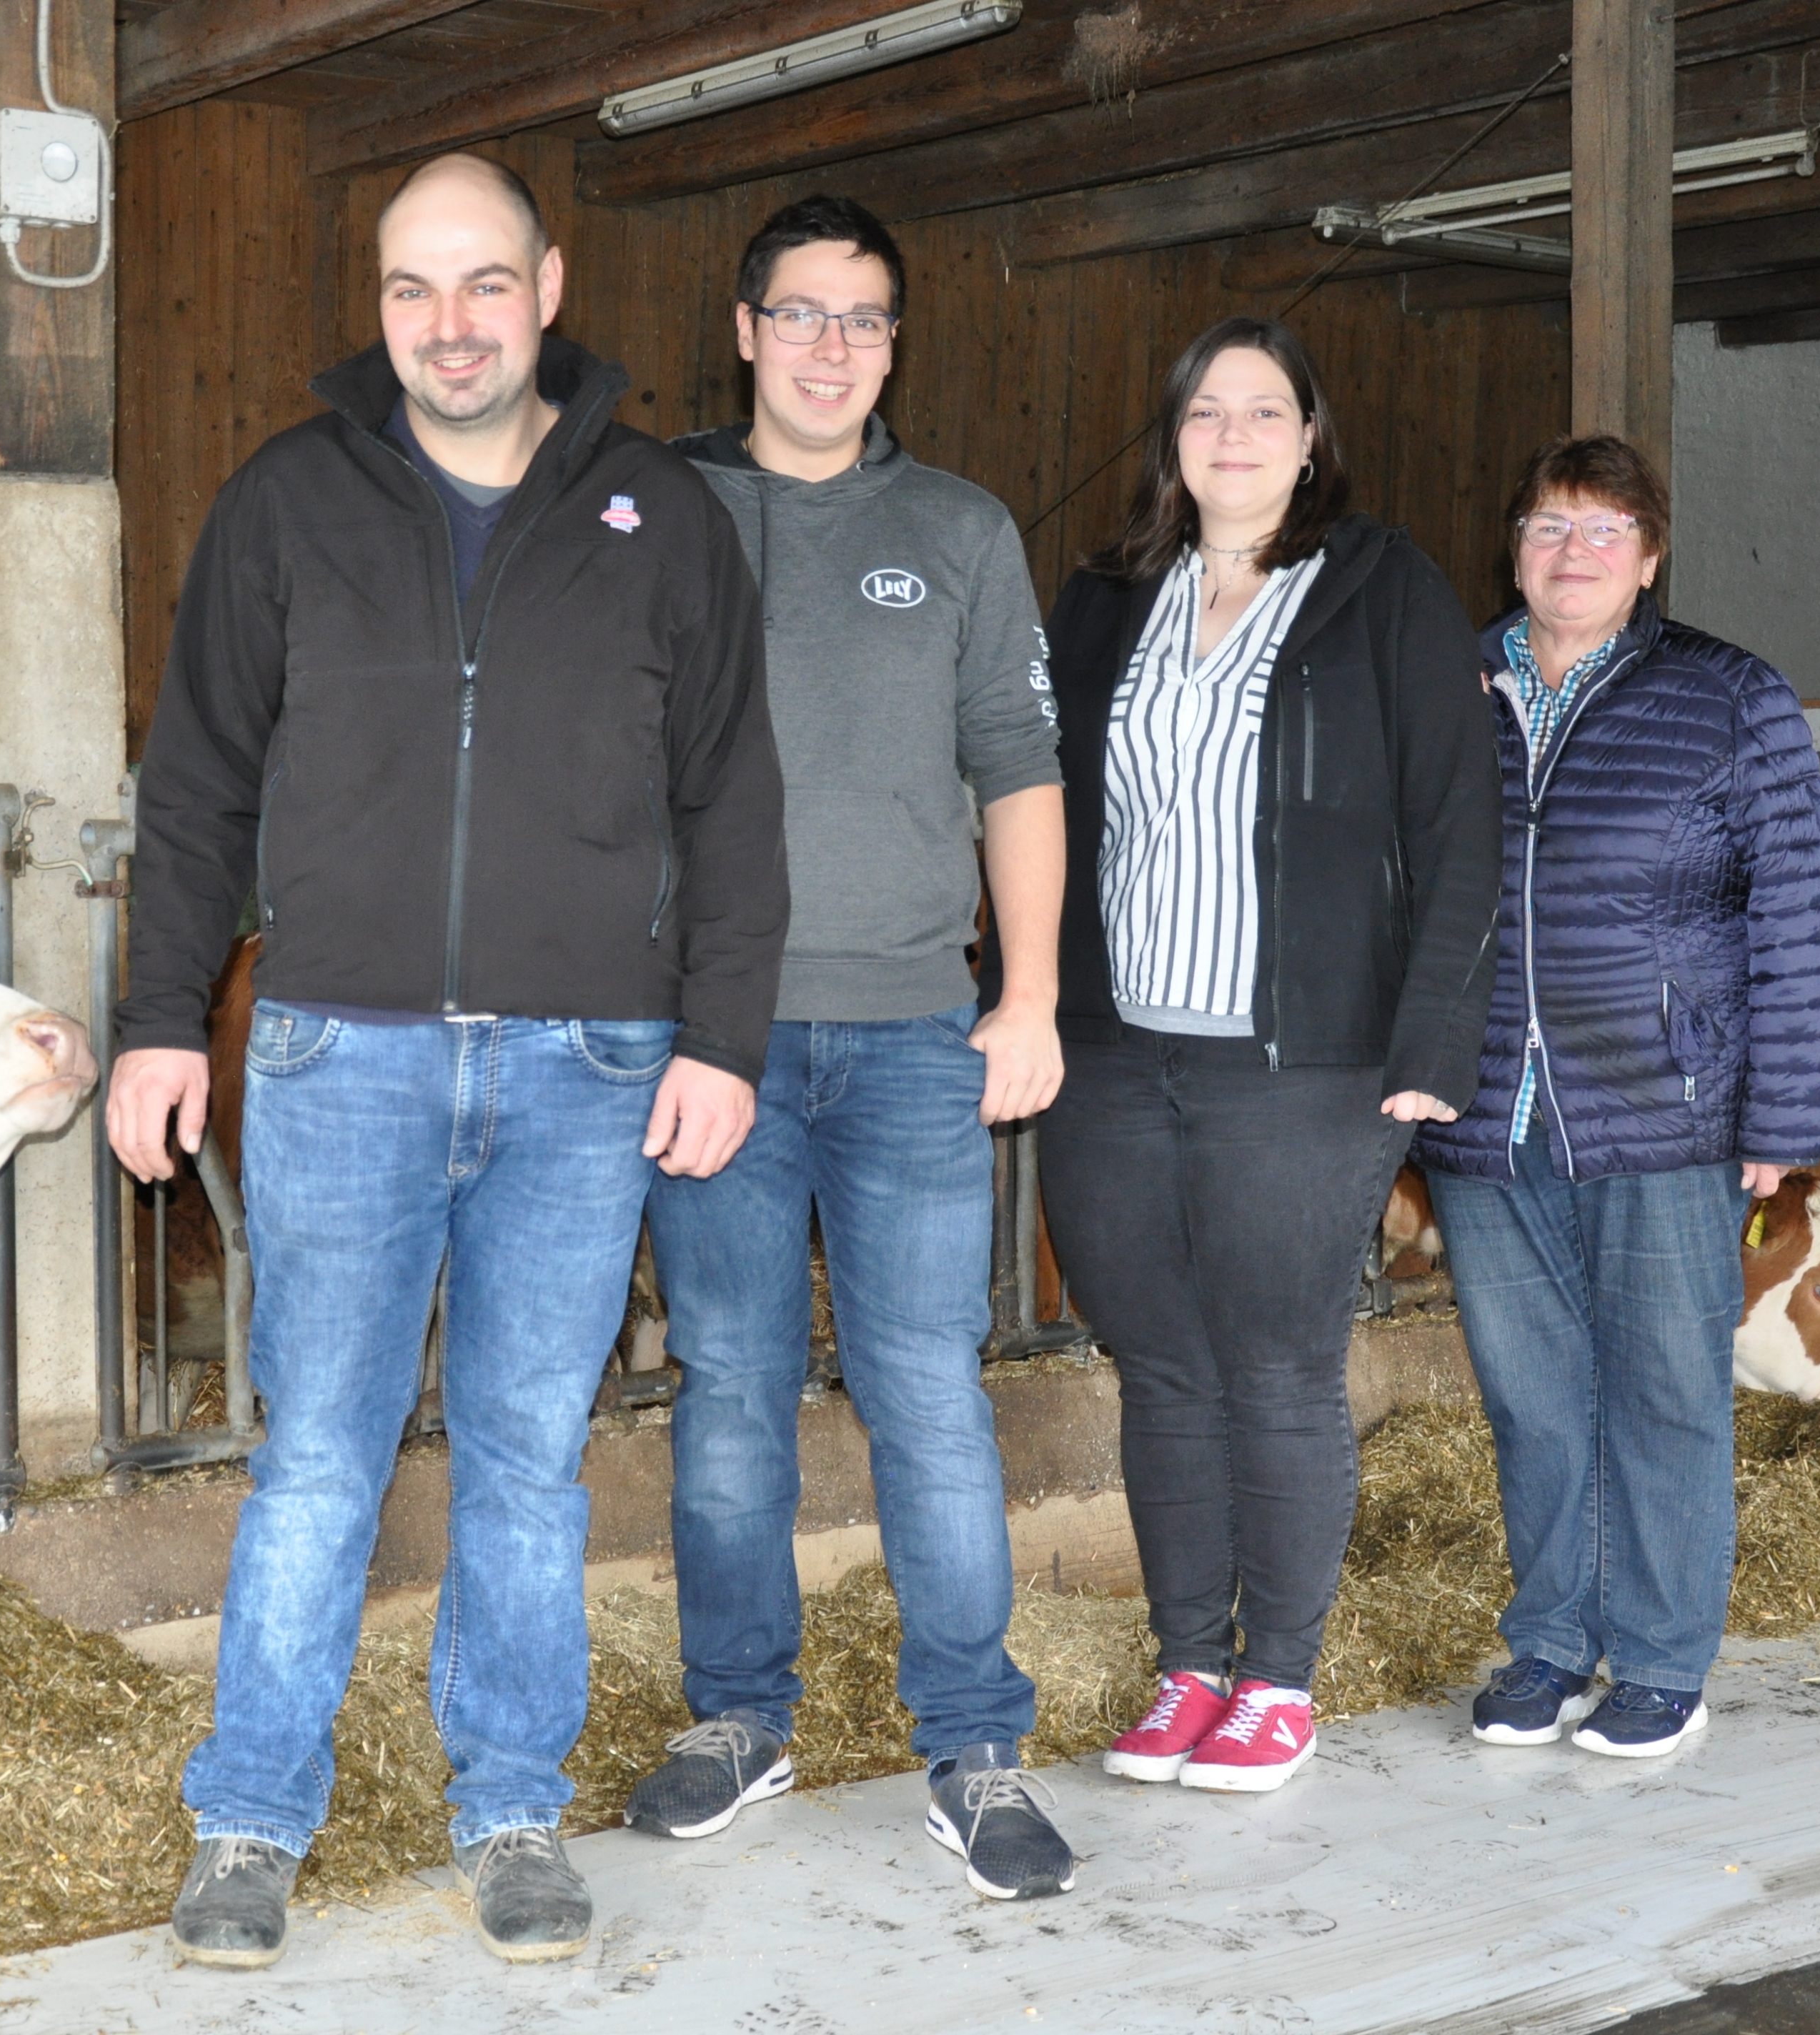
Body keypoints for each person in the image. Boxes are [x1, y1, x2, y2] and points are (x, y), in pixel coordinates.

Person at [109, 153, 787, 1970]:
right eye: (413, 290)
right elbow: (194, 788)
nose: (448, 326)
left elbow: (732, 793)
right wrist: (161, 1020)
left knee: (524, 1458)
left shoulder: (658, 511)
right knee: (316, 1455)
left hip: (586, 1060)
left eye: (481, 285)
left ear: (546, 286)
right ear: (381, 305)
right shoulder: (286, 502)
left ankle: (509, 1808)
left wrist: (722, 1034)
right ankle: (251, 1814)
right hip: (342, 1053)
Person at [621, 195, 1077, 1901]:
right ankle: (740, 1713)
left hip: (902, 1032)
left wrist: (1020, 994)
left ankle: (971, 1737)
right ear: (743, 330)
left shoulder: (955, 529)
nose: (831, 347)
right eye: (801, 314)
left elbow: (1017, 763)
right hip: (713, 1041)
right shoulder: (649, 510)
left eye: (864, 319)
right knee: (727, 1390)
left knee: (925, 1393)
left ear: (893, 342)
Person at [1028, 317, 1503, 1795]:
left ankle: (1275, 1680)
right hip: (1114, 1050)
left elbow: (1457, 820)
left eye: (1263, 411)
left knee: (1277, 1361)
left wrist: (1432, 1035)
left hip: (1301, 1058)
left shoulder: (1377, 589)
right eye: (1203, 411)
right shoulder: (1106, 600)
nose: (1230, 436)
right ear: (1170, 438)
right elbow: (1030, 796)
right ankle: (1185, 1666)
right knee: (1159, 1364)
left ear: (1309, 438)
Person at [1413, 434, 1820, 1758]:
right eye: (1549, 527)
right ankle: (1550, 1642)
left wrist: (1788, 1117)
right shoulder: (1452, 686)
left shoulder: (1728, 697)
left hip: (1664, 1101)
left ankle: (1661, 1661)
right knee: (1533, 1394)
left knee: (1664, 1385)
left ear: (1650, 558)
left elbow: (1804, 912)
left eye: (1605, 532)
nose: (1572, 554)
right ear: (1516, 546)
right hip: (1489, 1107)